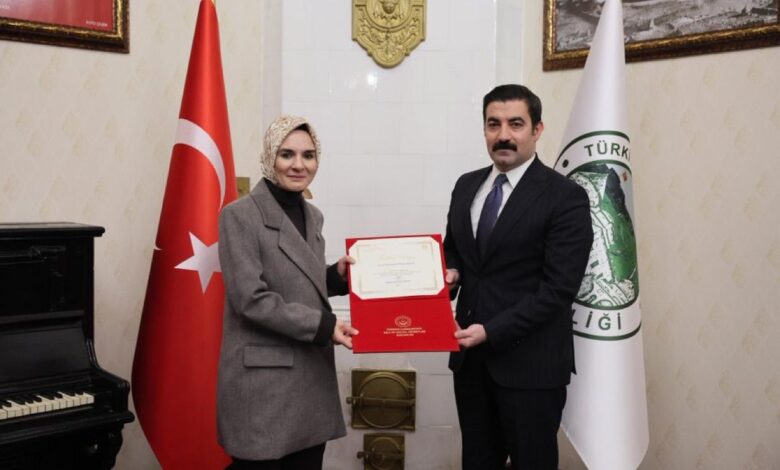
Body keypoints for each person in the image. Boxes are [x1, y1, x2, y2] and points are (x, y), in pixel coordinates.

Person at [443, 84, 593, 469]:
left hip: (532, 367)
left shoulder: (565, 197)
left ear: (537, 129)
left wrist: (491, 331)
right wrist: (452, 272)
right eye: (493, 124)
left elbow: (558, 290)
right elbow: (454, 249)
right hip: (470, 364)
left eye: (516, 124)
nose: (503, 135)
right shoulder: (466, 185)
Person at [216, 115, 357, 470]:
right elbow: (251, 299)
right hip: (265, 389)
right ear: (269, 156)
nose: (299, 165)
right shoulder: (239, 216)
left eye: (308, 155)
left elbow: (300, 280)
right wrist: (325, 326)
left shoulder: (314, 215)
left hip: (310, 382)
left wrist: (336, 276)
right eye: (287, 154)